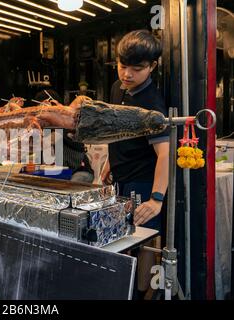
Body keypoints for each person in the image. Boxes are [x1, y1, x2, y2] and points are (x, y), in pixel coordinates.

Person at [37, 30, 169, 298]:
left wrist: (156, 199)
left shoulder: (152, 103)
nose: (127, 74)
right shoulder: (116, 88)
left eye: (137, 68)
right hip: (119, 176)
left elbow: (165, 154)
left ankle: (141, 294)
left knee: (144, 240)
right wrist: (110, 162)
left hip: (143, 181)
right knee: (121, 237)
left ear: (152, 66)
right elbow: (114, 130)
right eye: (122, 66)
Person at [34, 89, 94, 183]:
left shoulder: (70, 123)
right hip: (52, 174)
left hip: (78, 171)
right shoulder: (39, 128)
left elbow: (54, 138)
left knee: (69, 185)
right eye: (39, 108)